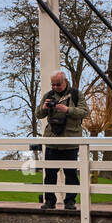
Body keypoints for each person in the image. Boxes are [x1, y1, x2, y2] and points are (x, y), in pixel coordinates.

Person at [37, 70, 89, 210]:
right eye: (53, 84)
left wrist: (67, 109)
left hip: (70, 142)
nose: (55, 87)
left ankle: (70, 201)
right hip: (52, 141)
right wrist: (43, 108)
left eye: (58, 84)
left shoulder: (76, 95)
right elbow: (38, 114)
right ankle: (49, 201)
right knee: (49, 174)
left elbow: (85, 112)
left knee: (71, 174)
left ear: (65, 81)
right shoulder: (48, 96)